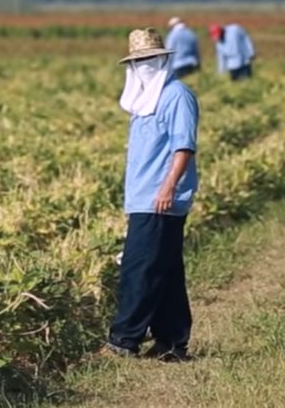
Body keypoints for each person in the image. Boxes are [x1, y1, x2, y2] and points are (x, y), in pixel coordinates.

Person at [105, 28, 199, 362]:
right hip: (143, 197)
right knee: (165, 269)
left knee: (138, 268)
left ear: (160, 59)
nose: (143, 65)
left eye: (148, 59)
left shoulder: (176, 95)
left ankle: (123, 340)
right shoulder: (143, 100)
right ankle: (172, 342)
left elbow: (183, 145)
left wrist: (168, 186)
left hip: (161, 198)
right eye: (137, 60)